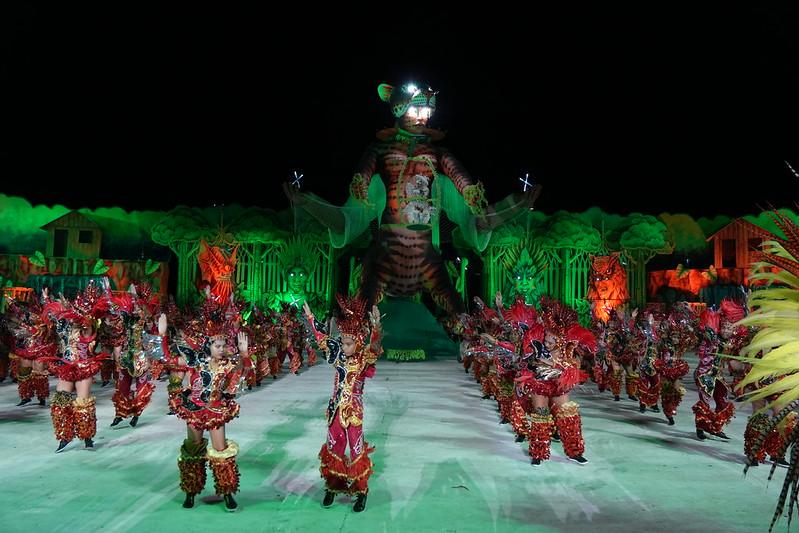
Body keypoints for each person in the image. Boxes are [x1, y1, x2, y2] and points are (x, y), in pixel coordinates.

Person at [303, 296, 381, 513]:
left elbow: (374, 347)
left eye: (348, 343)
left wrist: (376, 327)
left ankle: (361, 491)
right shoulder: (338, 357)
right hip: (335, 411)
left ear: (357, 342)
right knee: (333, 447)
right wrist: (310, 317)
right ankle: (333, 485)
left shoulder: (363, 360)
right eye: (343, 342)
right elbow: (321, 337)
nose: (344, 346)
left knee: (356, 451)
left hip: (353, 412)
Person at [171, 305, 247, 512]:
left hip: (215, 410)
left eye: (223, 345)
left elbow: (242, 376)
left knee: (221, 450)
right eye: (217, 346)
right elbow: (171, 369)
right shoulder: (194, 364)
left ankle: (227, 491)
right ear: (207, 346)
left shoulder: (228, 365)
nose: (222, 349)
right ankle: (190, 491)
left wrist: (244, 354)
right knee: (193, 449)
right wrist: (178, 395)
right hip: (194, 411)